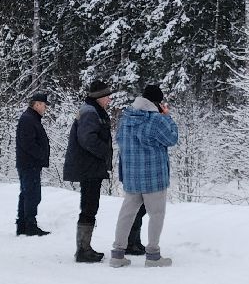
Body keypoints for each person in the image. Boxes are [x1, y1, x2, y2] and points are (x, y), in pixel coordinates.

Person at [110, 84, 179, 269]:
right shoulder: (156, 120)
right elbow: (172, 139)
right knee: (156, 214)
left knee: (126, 214)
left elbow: (119, 140)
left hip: (132, 175)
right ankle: (153, 255)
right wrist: (168, 117)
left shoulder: (126, 118)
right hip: (153, 176)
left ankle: (117, 254)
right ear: (156, 102)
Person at [62, 80, 114, 264]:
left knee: (90, 206)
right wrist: (104, 151)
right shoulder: (90, 112)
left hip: (91, 166)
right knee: (89, 206)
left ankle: (85, 247)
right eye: (107, 95)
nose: (109, 99)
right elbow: (87, 139)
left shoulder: (91, 110)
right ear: (99, 97)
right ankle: (83, 250)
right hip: (89, 167)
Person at [14, 92, 50, 237]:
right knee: (32, 194)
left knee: (27, 193)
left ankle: (23, 225)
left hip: (29, 163)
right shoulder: (29, 119)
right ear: (36, 104)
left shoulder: (31, 118)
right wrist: (41, 154)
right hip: (29, 164)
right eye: (44, 104)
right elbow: (27, 143)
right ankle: (29, 226)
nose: (45, 108)